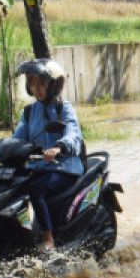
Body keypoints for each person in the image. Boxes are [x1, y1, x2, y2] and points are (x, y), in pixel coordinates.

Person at [12, 58, 84, 254]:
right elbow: (18, 138)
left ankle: (48, 238)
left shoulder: (64, 108)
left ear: (52, 84)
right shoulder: (28, 112)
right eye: (33, 84)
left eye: (41, 83)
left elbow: (73, 133)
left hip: (65, 166)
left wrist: (59, 147)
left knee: (36, 189)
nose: (37, 89)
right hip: (40, 167)